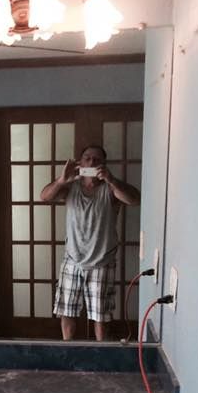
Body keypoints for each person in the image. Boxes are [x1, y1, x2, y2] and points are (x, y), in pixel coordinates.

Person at [40, 145, 141, 341]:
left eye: (96, 159)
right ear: (80, 163)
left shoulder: (110, 189)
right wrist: (61, 180)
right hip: (72, 259)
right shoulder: (70, 187)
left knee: (101, 317)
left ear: (104, 164)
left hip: (102, 261)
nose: (92, 162)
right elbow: (44, 196)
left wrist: (111, 180)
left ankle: (101, 354)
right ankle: (68, 351)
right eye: (87, 158)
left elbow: (134, 199)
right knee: (66, 312)